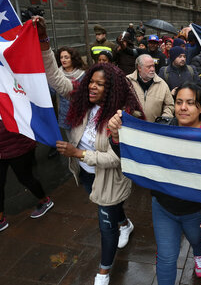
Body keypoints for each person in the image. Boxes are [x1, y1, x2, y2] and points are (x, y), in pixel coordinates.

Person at [34, 16, 143, 285]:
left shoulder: (123, 117)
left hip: (110, 177)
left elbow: (118, 159)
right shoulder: (81, 101)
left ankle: (103, 272)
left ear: (112, 89)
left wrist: (78, 153)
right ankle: (125, 224)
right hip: (85, 175)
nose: (92, 86)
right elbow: (55, 77)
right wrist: (44, 42)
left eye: (99, 83)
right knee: (112, 212)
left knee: (105, 225)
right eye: (90, 81)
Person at [107, 82, 201, 285]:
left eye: (190, 103)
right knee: (166, 257)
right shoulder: (160, 131)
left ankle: (199, 255)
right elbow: (134, 156)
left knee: (197, 241)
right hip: (163, 208)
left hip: (197, 211)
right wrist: (117, 138)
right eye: (179, 102)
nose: (183, 107)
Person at [0, 121, 54, 232]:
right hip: (4, 149)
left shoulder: (10, 104)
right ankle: (0, 220)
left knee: (25, 178)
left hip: (18, 147)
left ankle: (45, 201)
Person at [127, 54, 174, 122]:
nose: (152, 69)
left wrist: (164, 119)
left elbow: (169, 105)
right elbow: (118, 103)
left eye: (153, 66)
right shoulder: (127, 81)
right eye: (149, 67)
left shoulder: (162, 84)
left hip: (153, 128)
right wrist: (130, 112)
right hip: (131, 127)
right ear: (139, 68)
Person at [54, 46, 86, 138]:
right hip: (65, 114)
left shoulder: (83, 74)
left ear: (73, 58)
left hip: (82, 113)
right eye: (61, 57)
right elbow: (51, 91)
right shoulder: (57, 75)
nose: (63, 60)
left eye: (66, 57)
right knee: (71, 140)